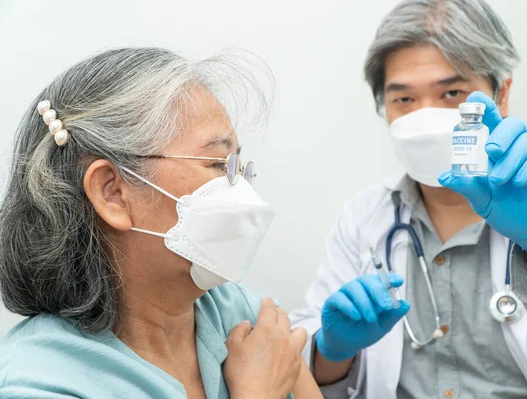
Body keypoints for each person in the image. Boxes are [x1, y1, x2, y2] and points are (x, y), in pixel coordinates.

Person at [289, 0, 527, 398]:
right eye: (404, 99)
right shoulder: (363, 219)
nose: (424, 119)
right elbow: (312, 354)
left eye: (452, 92)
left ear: (501, 93)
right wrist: (334, 349)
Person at [0, 47, 322, 399]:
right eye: (218, 164)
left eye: (238, 166)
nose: (242, 189)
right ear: (112, 193)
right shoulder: (39, 382)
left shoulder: (241, 314)